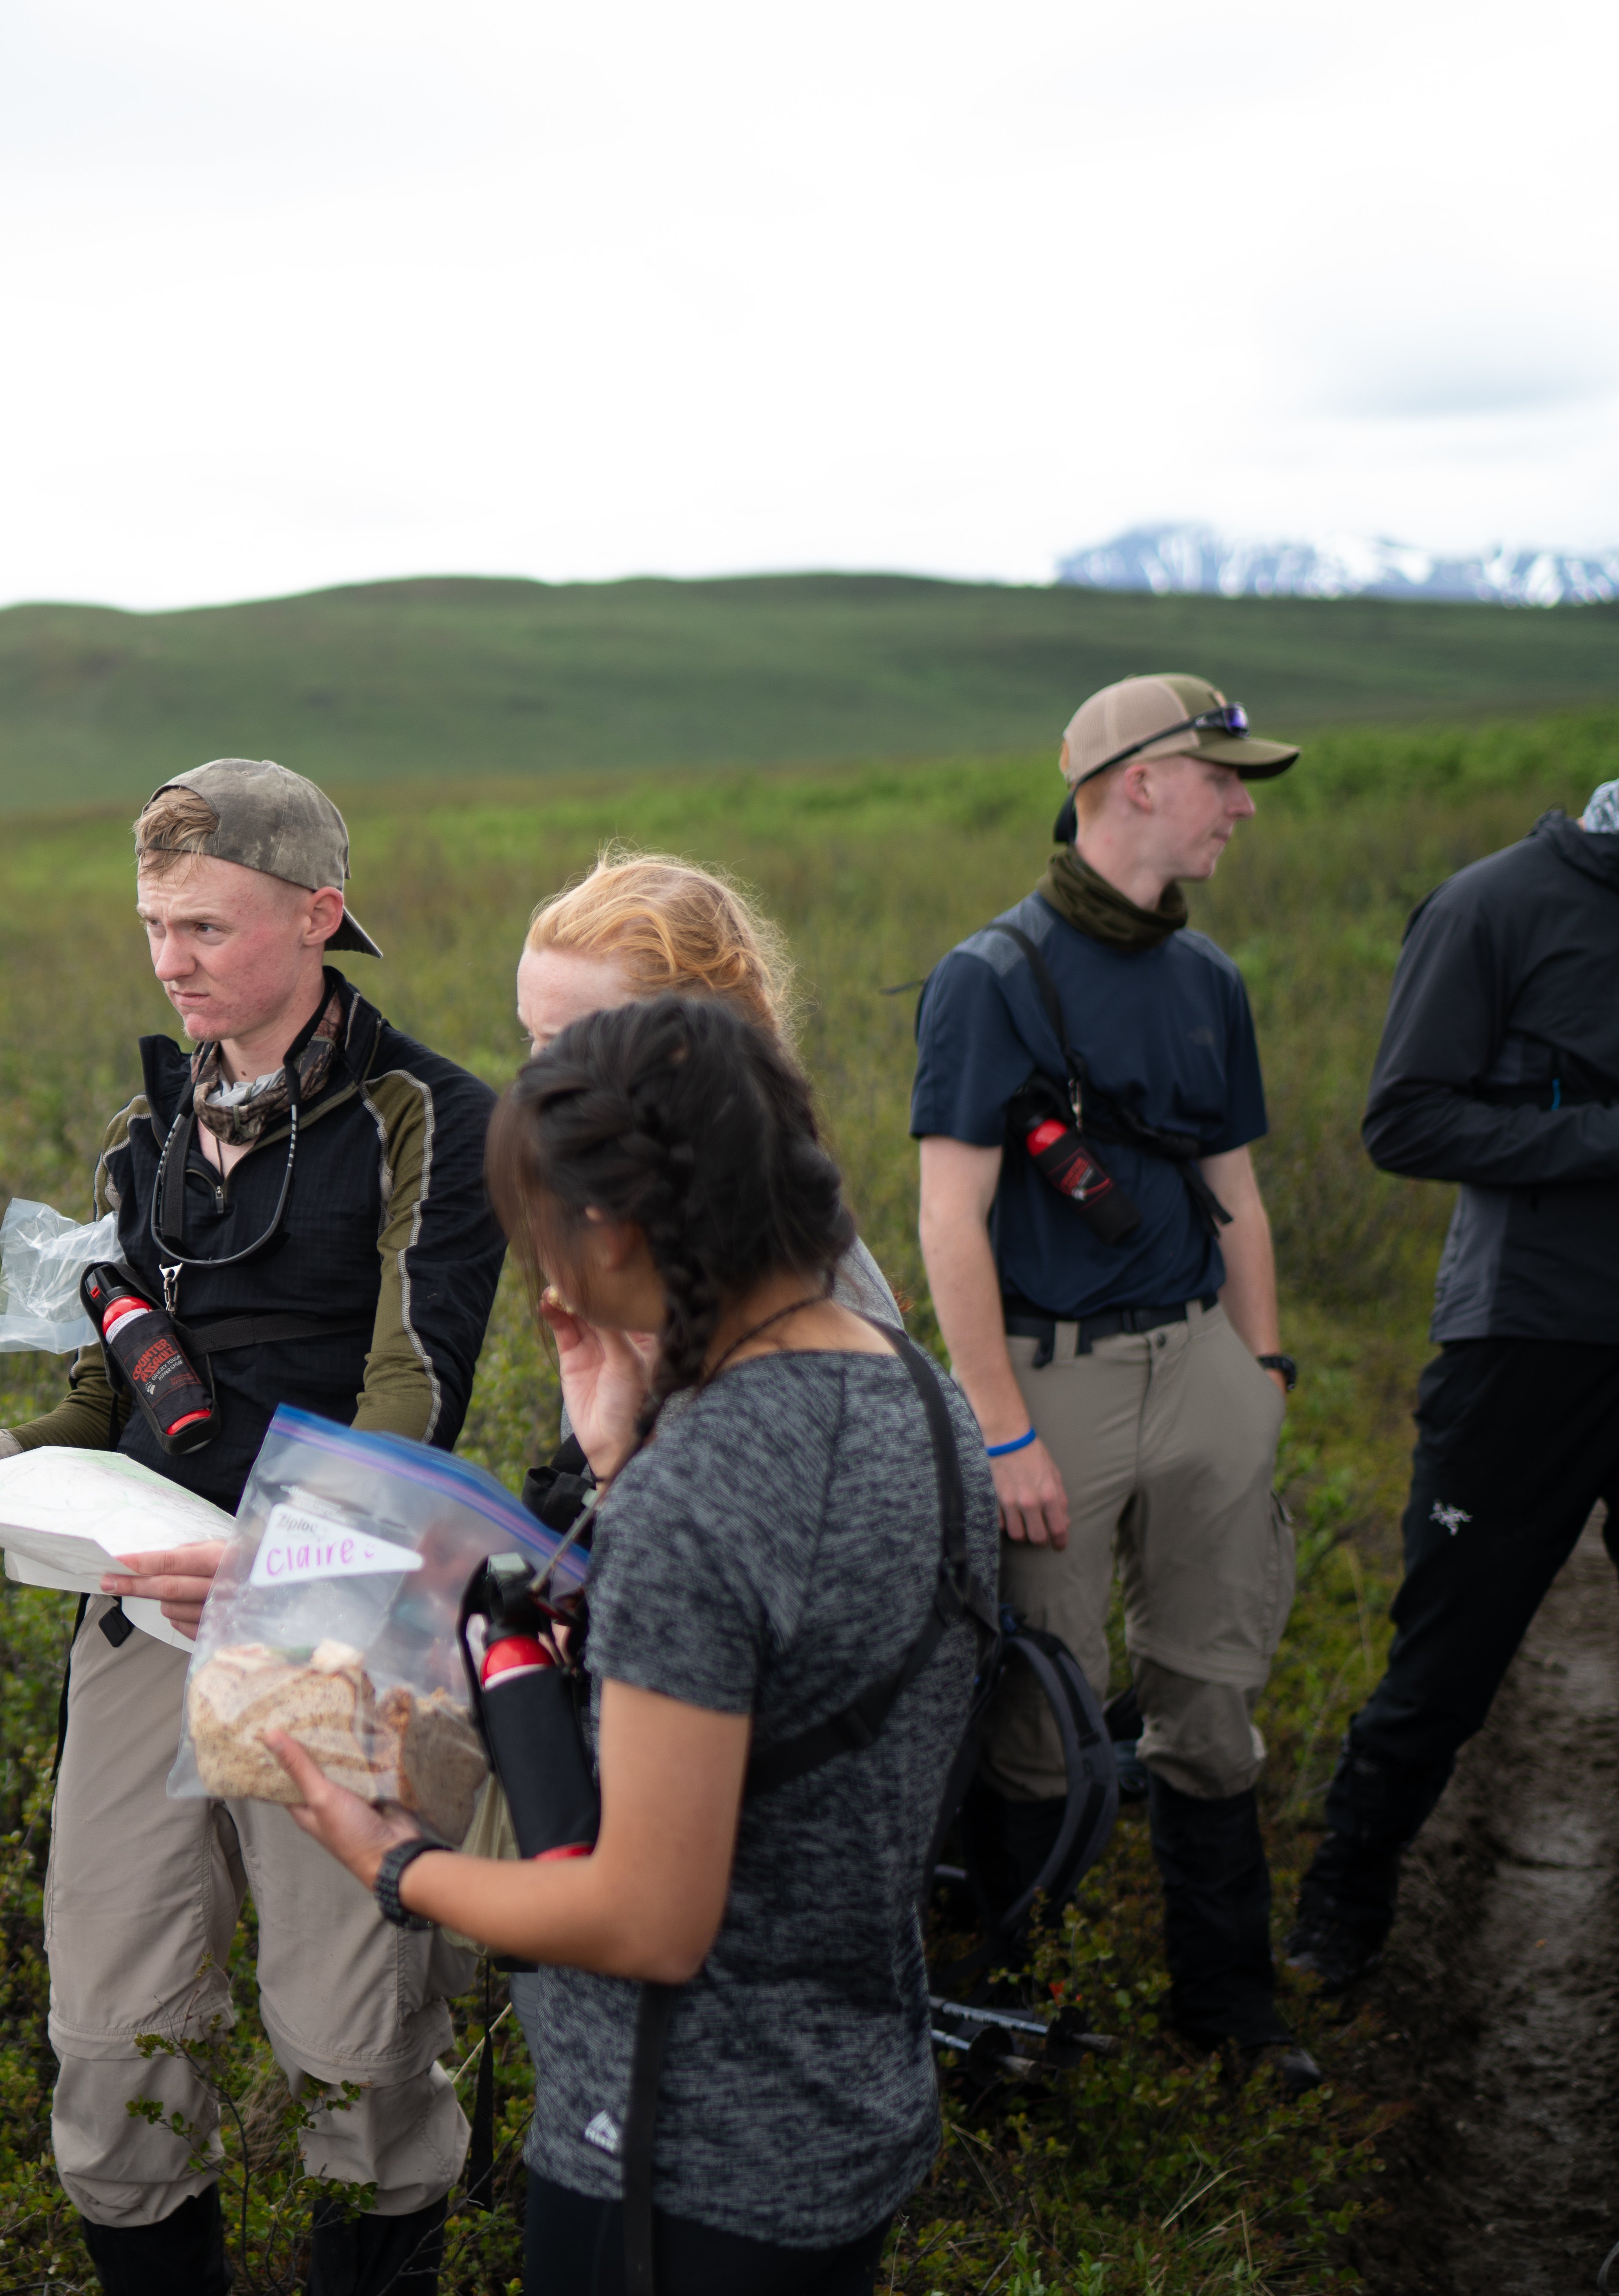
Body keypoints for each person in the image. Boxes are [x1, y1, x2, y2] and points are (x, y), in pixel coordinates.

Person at [270, 994, 998, 2295]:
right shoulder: (916, 1392)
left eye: (543, 1234)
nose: (544, 1277)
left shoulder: (702, 1487)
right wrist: (621, 1451)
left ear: (607, 1229)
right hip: (846, 2105)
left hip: (672, 2156)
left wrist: (393, 1865)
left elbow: (646, 1918)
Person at [0, 759, 506, 2296]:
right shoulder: (142, 1132)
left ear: (318, 915)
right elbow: (93, 1383)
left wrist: (277, 1557)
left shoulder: (427, 1117)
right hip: (138, 1609)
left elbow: (417, 1384)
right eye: (149, 924)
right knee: (108, 2025)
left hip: (331, 1615)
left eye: (202, 924)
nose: (168, 957)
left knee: (349, 2037)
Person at [908, 673, 1315, 2084]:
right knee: (1047, 1717)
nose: (1243, 806)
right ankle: (1026, 2016)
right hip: (1051, 1385)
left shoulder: (1209, 978)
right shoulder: (988, 978)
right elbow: (946, 1219)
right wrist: (1003, 1430)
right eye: (1223, 779)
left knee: (1211, 1700)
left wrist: (1256, 1374)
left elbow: (1239, 1198)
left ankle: (1230, 2008)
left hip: (1199, 1365)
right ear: (1137, 781)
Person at [1283, 782, 1619, 1987]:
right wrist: (1603, 1137)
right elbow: (1405, 1121)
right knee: (1448, 1658)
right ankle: (1342, 1912)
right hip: (1525, 1338)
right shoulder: (1493, 908)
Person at [514, 845, 903, 1342]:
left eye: (571, 1045)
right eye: (532, 1038)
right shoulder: (655, 1231)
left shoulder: (791, 1296)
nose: (534, 1080)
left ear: (697, 1047)